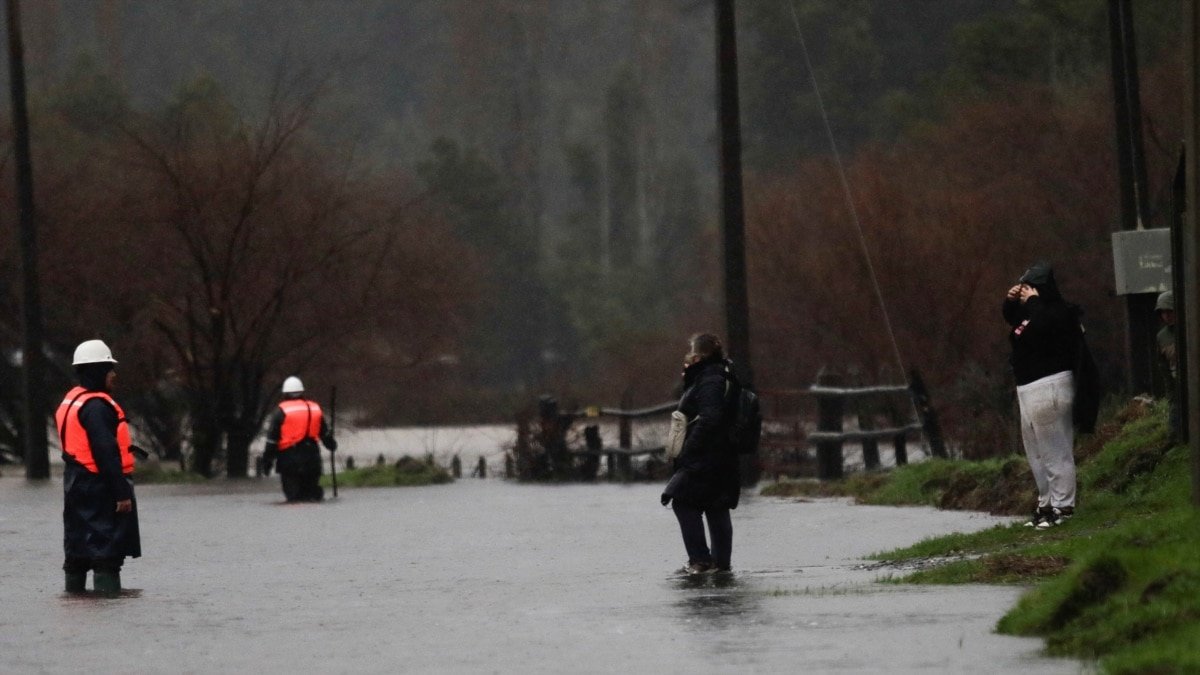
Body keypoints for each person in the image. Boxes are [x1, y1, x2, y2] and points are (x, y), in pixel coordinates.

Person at [56, 339, 141, 594]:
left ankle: (75, 601)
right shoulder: (96, 407)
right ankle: (109, 608)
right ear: (96, 371)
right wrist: (122, 494)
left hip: (75, 483)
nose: (114, 375)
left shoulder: (73, 401)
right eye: (109, 369)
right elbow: (106, 454)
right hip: (99, 487)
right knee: (107, 552)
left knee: (77, 552)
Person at [1003, 262, 1082, 529]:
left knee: (1055, 449)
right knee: (1036, 452)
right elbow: (1015, 324)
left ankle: (1063, 505)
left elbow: (1044, 327)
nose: (1026, 293)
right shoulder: (1030, 313)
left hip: (1050, 385)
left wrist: (1035, 303)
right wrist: (1011, 302)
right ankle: (1046, 502)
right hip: (1027, 388)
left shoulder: (1058, 312)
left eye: (1030, 288)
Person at [661, 333, 741, 574]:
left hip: (706, 454)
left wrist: (689, 449)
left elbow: (709, 418)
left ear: (697, 355)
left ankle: (701, 561)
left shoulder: (709, 379)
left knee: (682, 501)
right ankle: (721, 564)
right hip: (723, 453)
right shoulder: (723, 374)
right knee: (716, 504)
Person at [261, 376, 337, 502]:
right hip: (312, 457)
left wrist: (267, 462)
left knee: (294, 498)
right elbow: (325, 434)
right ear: (302, 392)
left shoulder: (280, 411)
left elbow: (272, 441)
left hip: (289, 460)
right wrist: (332, 445)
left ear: (285, 393)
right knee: (312, 495)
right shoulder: (315, 408)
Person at [1156, 291, 1182, 444]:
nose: (1166, 315)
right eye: (1163, 312)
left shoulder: (1189, 327)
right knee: (1175, 421)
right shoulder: (1162, 336)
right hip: (1175, 381)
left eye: (1169, 311)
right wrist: (1170, 391)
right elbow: (1163, 366)